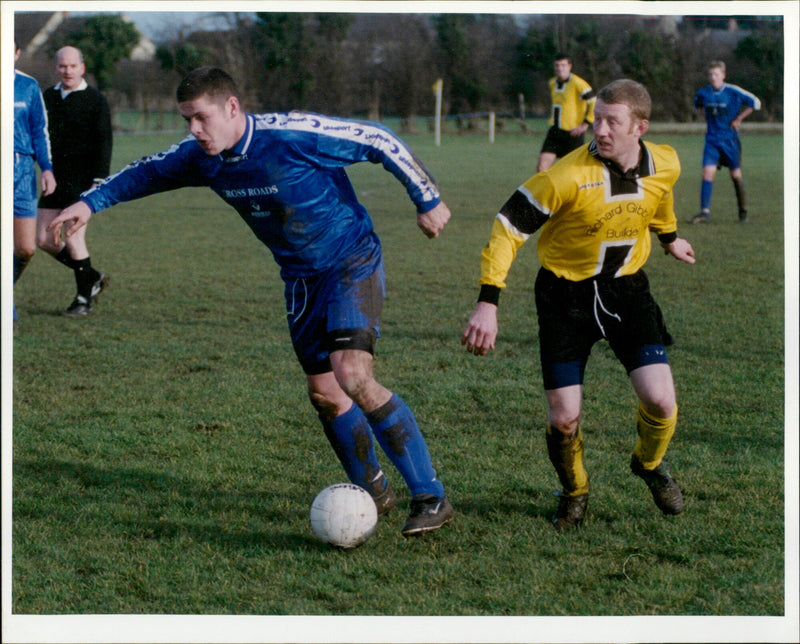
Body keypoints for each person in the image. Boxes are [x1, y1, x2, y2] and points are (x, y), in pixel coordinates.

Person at [49, 67, 455, 537]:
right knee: (325, 395)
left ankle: (430, 495)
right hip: (299, 280)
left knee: (353, 374)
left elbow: (377, 139)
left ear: (232, 108)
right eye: (187, 120)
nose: (194, 131)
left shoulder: (291, 135)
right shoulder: (203, 157)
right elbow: (146, 172)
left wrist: (426, 197)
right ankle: (371, 492)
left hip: (349, 261)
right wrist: (89, 203)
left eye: (201, 118)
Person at [462, 79, 695, 532]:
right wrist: (488, 301)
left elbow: (660, 199)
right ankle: (574, 491)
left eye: (613, 121)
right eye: (598, 118)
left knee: (661, 400)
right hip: (564, 298)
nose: (600, 129)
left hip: (627, 291)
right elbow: (508, 227)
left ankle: (648, 465)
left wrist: (669, 238)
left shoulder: (666, 162)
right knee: (564, 417)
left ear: (640, 127)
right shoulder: (566, 175)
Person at [38, 45, 112, 317]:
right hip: (53, 179)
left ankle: (83, 300)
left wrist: (98, 181)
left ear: (82, 67)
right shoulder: (47, 97)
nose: (67, 71)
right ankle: (91, 276)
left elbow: (104, 142)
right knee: (44, 239)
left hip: (83, 182)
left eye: (72, 66)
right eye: (62, 66)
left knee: (73, 238)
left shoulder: (95, 100)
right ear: (56, 68)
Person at [13, 39, 57, 331]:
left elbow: (39, 131)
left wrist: (47, 169)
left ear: (16, 53)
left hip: (22, 173)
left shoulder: (28, 87)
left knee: (26, 248)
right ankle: (8, 309)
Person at [691, 60, 761, 224]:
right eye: (710, 74)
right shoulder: (703, 93)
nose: (713, 77)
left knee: (735, 175)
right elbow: (698, 105)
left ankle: (743, 213)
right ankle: (704, 213)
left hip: (730, 140)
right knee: (707, 172)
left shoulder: (732, 91)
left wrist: (739, 119)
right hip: (712, 141)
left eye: (716, 74)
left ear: (723, 75)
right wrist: (706, 120)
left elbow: (755, 103)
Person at [537, 53, 596, 173]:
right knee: (541, 168)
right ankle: (546, 192)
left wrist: (586, 123)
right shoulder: (552, 83)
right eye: (557, 65)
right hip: (555, 131)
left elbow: (593, 101)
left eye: (563, 65)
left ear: (569, 66)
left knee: (572, 172)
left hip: (573, 133)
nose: (560, 68)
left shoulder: (578, 83)